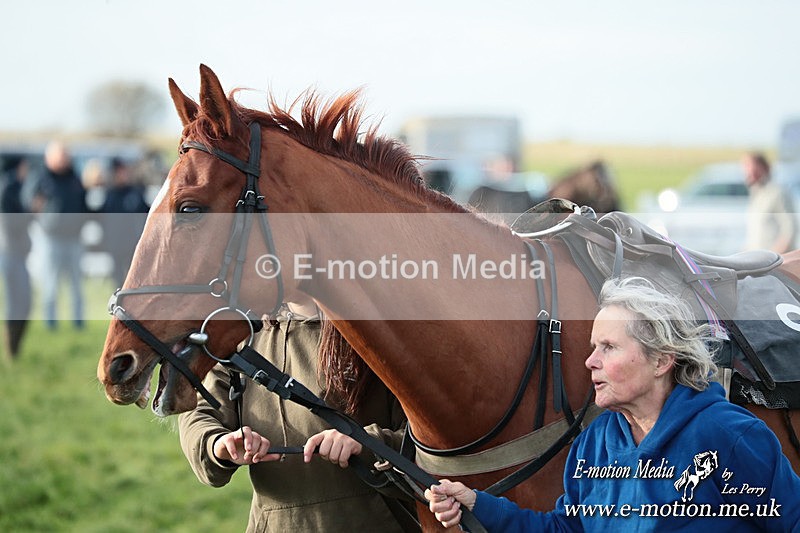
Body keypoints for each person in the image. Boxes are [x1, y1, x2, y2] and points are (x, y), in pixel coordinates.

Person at [425, 277, 800, 531]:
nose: (590, 362)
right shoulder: (594, 443)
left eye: (609, 347)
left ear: (661, 361)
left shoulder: (729, 435)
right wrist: (478, 504)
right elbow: (566, 528)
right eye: (593, 348)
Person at [178, 300, 412, 533]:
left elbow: (431, 442)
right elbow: (199, 411)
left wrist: (365, 443)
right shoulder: (242, 332)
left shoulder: (380, 327)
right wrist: (217, 444)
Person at [28, 141, 87, 329]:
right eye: (60, 155)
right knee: (50, 284)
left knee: (77, 285)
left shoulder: (75, 178)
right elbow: (29, 203)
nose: (64, 159)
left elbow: (84, 204)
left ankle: (78, 323)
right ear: (49, 157)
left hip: (74, 239)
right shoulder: (41, 179)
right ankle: (50, 324)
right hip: (50, 239)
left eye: (65, 155)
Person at [0, 156, 33, 359]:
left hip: (14, 253)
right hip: (11, 254)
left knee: (21, 303)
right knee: (18, 304)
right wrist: (31, 212)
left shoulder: (11, 188)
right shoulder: (9, 190)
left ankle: (13, 351)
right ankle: (11, 352)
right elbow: (13, 225)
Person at [100, 157, 149, 288]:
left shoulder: (135, 192)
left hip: (132, 243)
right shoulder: (109, 194)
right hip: (115, 244)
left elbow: (147, 213)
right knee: (117, 280)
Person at [743, 151, 797, 253]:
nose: (749, 171)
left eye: (753, 167)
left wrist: (774, 259)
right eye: (746, 167)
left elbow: (790, 231)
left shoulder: (778, 193)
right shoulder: (756, 195)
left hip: (775, 263)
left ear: (765, 168)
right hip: (758, 262)